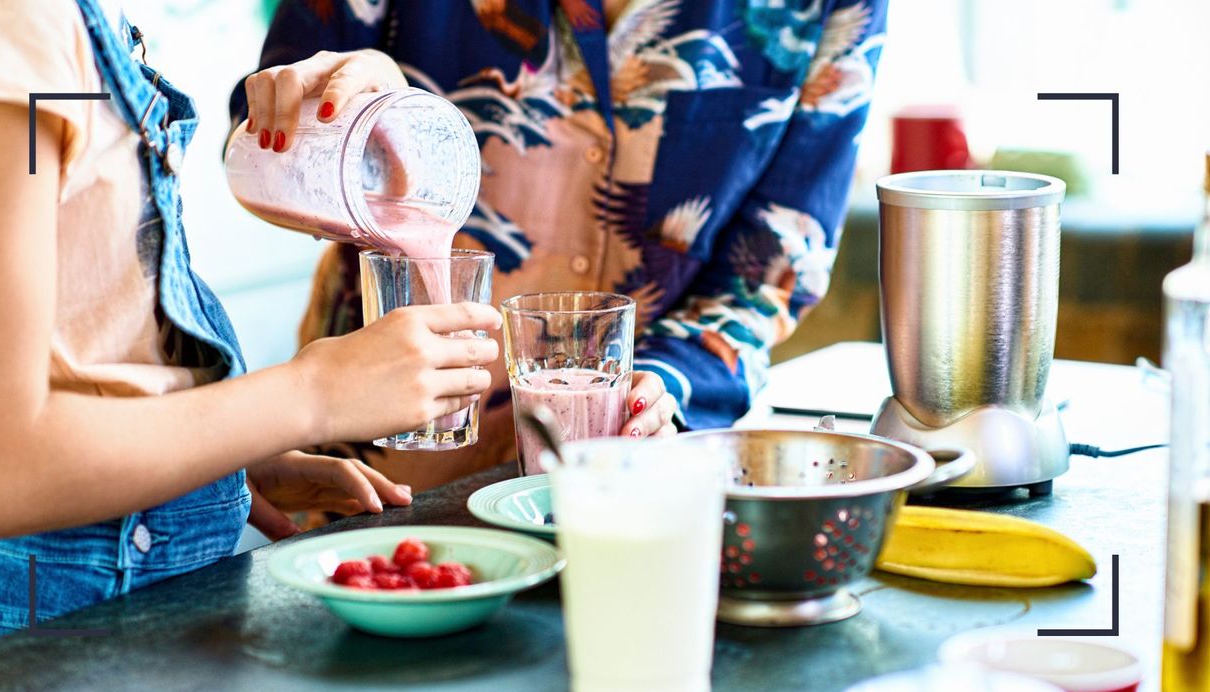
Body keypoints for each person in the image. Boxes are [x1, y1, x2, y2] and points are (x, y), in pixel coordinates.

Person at [0, 0, 501, 656]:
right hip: (40, 634)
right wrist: (310, 395)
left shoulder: (62, 27)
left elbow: (72, 343)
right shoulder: (14, 22)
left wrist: (215, 464)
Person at [231, 0, 888, 496]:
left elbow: (773, 262)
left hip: (636, 482)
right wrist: (346, 98)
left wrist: (661, 387)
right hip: (381, 476)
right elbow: (259, 140)